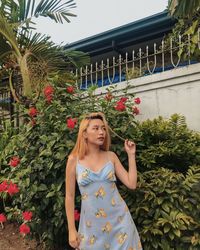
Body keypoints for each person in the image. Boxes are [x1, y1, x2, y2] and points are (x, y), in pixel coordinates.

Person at [65, 112, 142, 250]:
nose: (101, 132)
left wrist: (131, 155)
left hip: (120, 223)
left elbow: (132, 184)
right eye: (96, 128)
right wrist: (71, 229)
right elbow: (69, 197)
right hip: (91, 228)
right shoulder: (74, 160)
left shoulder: (111, 157)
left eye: (103, 128)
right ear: (84, 134)